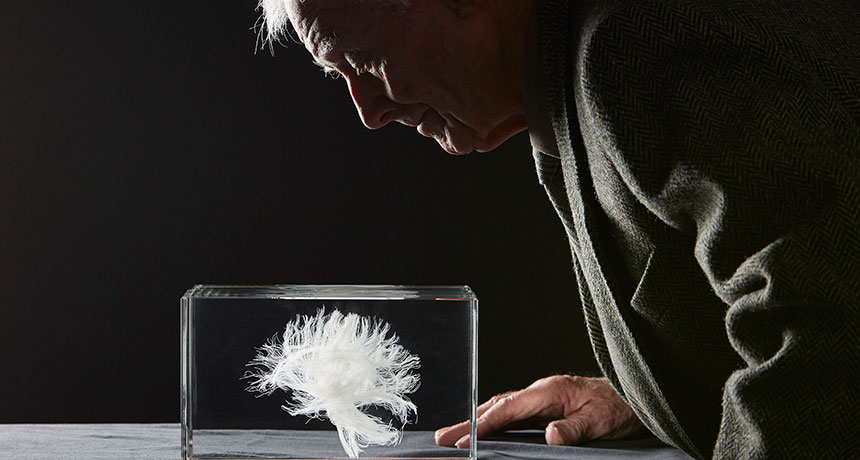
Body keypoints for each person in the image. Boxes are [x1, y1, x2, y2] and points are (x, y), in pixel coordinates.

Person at [258, 0, 860, 458]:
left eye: (363, 62)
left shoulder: (635, 45)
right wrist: (646, 389)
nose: (368, 112)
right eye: (340, 77)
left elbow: (827, 328)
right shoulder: (563, 75)